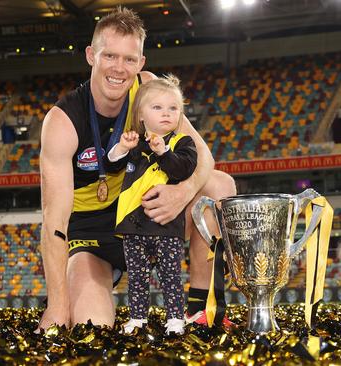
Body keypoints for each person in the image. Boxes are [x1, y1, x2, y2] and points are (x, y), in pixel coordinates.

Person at [37, 6, 235, 331]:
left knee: (219, 186)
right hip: (93, 236)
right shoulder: (62, 121)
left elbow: (204, 157)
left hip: (146, 215)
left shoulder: (148, 89)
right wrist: (57, 308)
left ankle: (201, 309)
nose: (119, 68)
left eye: (129, 59)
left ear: (141, 63)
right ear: (91, 55)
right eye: (109, 56)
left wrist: (180, 192)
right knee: (91, 326)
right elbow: (53, 221)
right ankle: (80, 297)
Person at [106, 75, 195, 335]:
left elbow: (182, 170)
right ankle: (137, 318)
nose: (166, 114)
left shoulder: (182, 143)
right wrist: (121, 148)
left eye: (173, 108)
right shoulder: (134, 144)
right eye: (157, 107)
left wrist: (162, 152)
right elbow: (111, 165)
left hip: (166, 226)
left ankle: (176, 318)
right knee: (137, 277)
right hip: (134, 226)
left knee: (170, 276)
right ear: (141, 115)